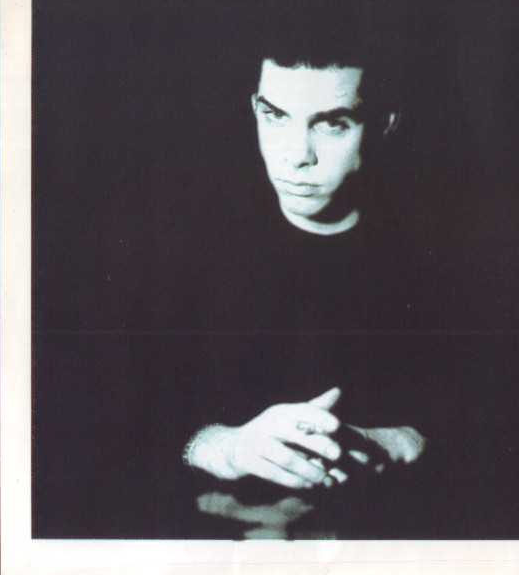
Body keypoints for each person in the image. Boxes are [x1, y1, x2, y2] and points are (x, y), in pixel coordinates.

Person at [182, 27, 427, 503]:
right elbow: (98, 414)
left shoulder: (446, 257)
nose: (296, 156)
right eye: (275, 116)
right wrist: (224, 449)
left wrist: (400, 443)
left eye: (332, 124)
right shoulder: (180, 243)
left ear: (384, 123)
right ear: (255, 108)